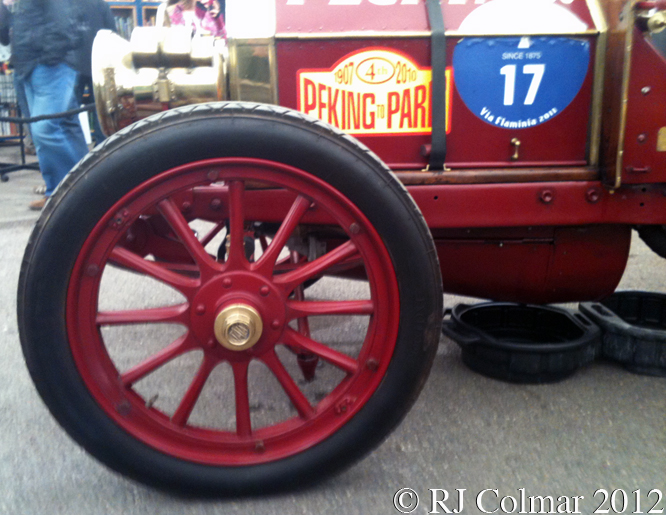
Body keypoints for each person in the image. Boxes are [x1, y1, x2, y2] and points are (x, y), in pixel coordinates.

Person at [10, 0, 89, 210]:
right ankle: (56, 193)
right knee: (61, 128)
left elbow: (63, 23)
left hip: (49, 65)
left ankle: (78, 191)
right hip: (30, 66)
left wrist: (47, 57)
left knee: (45, 129)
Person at [74, 0, 116, 145]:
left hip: (73, 63)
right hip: (98, 62)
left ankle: (76, 148)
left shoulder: (65, 4)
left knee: (69, 112)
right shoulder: (101, 4)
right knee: (101, 109)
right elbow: (112, 33)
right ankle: (102, 148)